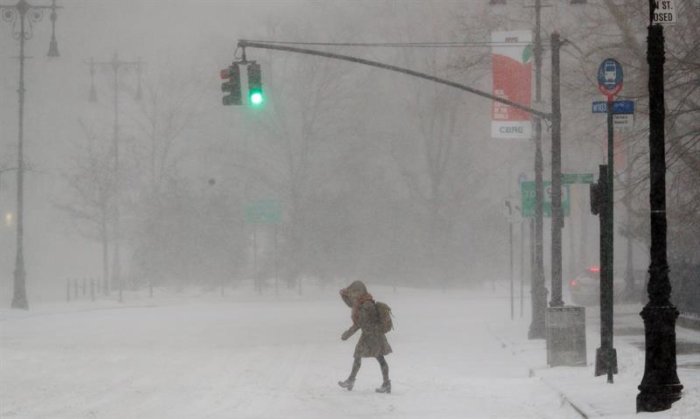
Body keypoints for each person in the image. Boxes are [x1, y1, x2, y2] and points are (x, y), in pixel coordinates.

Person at [337, 280, 392, 393]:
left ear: (359, 292)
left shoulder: (367, 304)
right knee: (372, 357)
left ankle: (352, 381)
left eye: (355, 292)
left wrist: (347, 334)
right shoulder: (362, 302)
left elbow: (360, 323)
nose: (353, 294)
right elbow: (350, 303)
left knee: (375, 358)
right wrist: (343, 294)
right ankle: (385, 383)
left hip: (372, 336)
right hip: (372, 335)